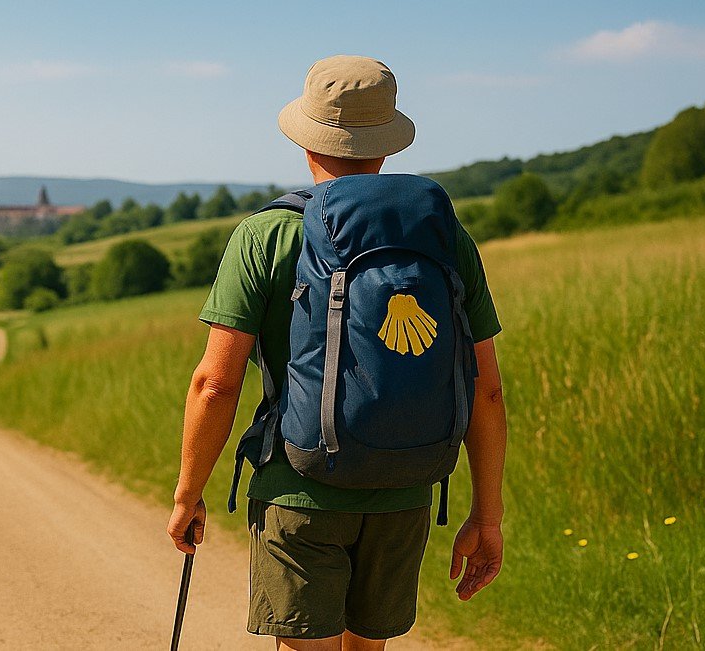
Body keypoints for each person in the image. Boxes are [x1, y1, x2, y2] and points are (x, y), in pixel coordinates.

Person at [167, 55, 508, 650]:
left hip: (300, 490)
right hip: (404, 490)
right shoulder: (445, 238)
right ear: (387, 143)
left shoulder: (266, 235)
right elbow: (487, 388)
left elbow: (214, 384)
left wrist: (187, 494)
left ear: (306, 137)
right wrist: (487, 516)